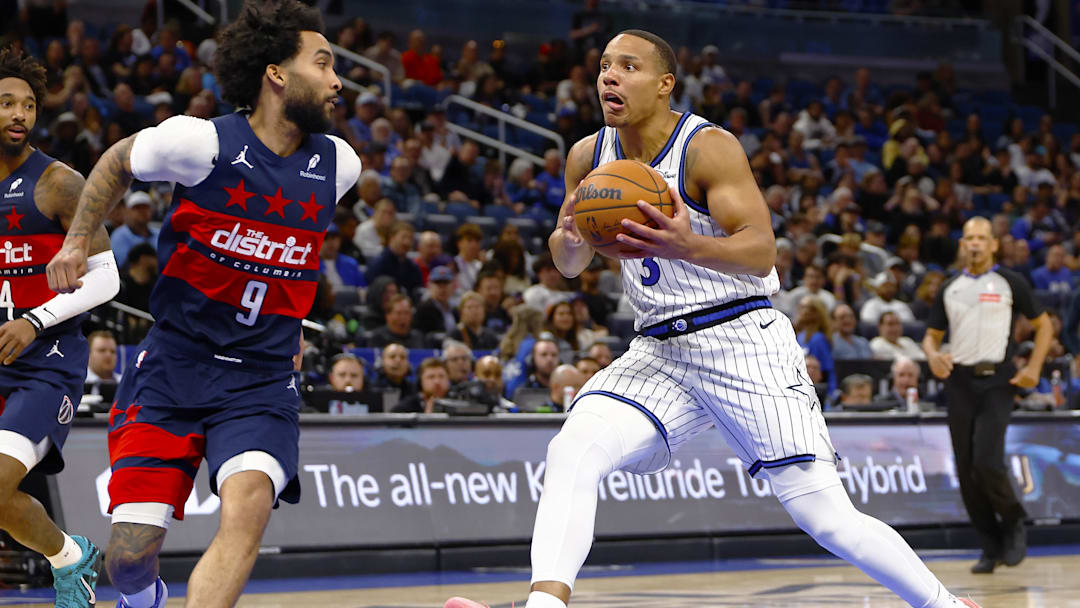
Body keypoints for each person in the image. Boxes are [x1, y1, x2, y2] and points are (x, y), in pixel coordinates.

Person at [447, 30, 977, 608]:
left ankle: (948, 606)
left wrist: (686, 245)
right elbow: (568, 265)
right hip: (658, 348)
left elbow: (762, 250)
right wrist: (571, 240)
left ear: (664, 84)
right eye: (604, 66)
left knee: (825, 516)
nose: (609, 76)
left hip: (741, 337)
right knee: (574, 448)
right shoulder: (587, 157)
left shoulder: (707, 148)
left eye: (628, 66)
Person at [45, 4, 363, 607]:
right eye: (322, 64)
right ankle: (145, 596)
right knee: (128, 560)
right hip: (175, 364)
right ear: (276, 74)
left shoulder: (339, 164)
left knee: (248, 510)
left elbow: (292, 251)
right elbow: (117, 160)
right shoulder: (201, 142)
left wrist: (288, 318)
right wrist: (76, 240)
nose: (336, 81)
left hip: (262, 378)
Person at [0, 46, 121, 605]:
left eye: (28, 105)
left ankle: (69, 563)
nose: (19, 114)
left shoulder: (58, 183)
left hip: (45, 362)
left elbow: (107, 278)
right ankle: (72, 558)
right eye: (7, 103)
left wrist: (34, 319)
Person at [923, 216, 1052, 575]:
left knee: (987, 461)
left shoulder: (1011, 282)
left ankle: (1013, 520)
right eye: (969, 238)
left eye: (982, 238)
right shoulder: (949, 287)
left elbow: (1044, 325)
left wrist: (1034, 368)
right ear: (962, 245)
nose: (975, 244)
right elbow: (931, 335)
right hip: (959, 382)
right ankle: (989, 545)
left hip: (998, 380)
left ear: (994, 244)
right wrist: (933, 355)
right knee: (966, 470)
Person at [109, 190, 159, 271]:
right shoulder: (119, 235)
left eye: (145, 207)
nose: (142, 211)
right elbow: (124, 266)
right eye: (137, 208)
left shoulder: (159, 234)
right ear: (128, 212)